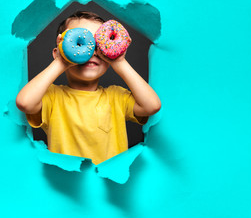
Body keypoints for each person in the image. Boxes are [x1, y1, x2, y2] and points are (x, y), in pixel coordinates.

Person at [16, 11, 161, 165]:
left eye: (98, 45)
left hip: (108, 185)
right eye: (80, 43)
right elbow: (25, 102)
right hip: (67, 183)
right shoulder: (53, 97)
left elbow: (152, 105)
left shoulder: (116, 96)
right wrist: (61, 61)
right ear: (57, 52)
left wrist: (119, 62)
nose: (91, 51)